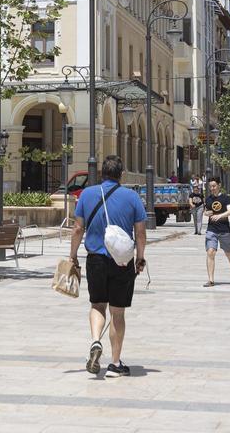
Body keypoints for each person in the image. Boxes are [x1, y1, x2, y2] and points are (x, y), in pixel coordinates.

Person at [68, 154, 147, 377]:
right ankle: (114, 364)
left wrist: (72, 255)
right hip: (122, 262)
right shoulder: (131, 197)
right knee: (118, 312)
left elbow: (77, 229)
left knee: (97, 305)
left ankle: (95, 341)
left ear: (102, 173)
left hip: (95, 259)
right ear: (120, 175)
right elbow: (140, 233)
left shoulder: (87, 194)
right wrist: (140, 258)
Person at [202, 176, 230, 286]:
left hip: (224, 230)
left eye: (214, 186)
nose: (212, 188)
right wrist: (206, 213)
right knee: (210, 252)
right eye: (210, 187)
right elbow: (206, 211)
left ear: (219, 185)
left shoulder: (225, 198)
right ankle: (211, 280)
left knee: (229, 253)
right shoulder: (208, 199)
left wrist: (219, 216)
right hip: (211, 229)